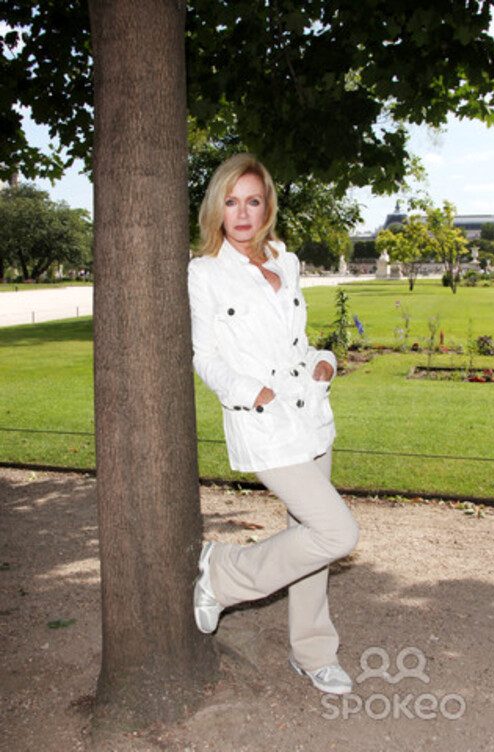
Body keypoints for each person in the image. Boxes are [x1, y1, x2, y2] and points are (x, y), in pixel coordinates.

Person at [188, 153, 359, 695]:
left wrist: (322, 359)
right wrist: (247, 392)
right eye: (231, 201)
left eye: (252, 201)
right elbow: (204, 355)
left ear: (267, 207)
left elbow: (294, 345)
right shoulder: (204, 271)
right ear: (217, 208)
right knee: (338, 532)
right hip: (262, 419)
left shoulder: (285, 260)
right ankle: (223, 573)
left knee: (310, 537)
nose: (241, 213)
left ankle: (312, 653)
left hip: (310, 412)